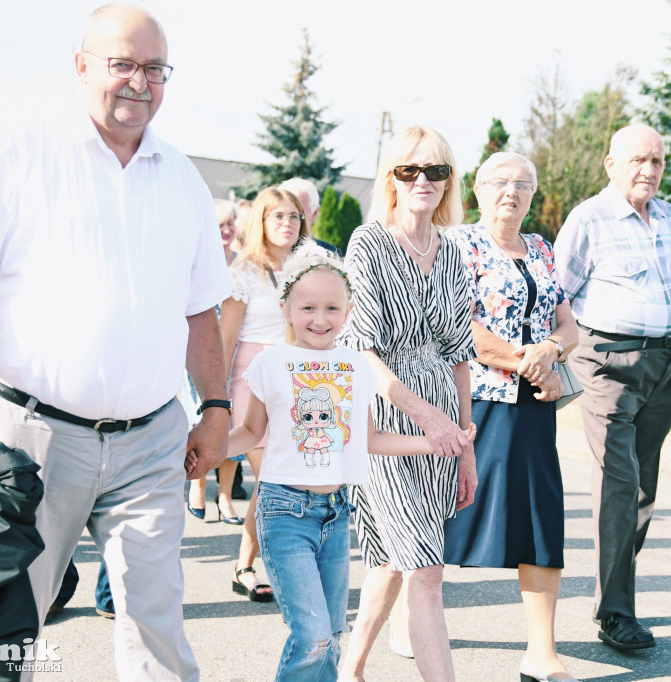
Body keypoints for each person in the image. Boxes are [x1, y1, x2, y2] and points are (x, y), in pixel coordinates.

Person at [0, 5, 230, 680]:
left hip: (152, 441)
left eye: (155, 68)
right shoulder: (21, 153)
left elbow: (198, 312)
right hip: (33, 439)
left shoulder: (181, 177)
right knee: (9, 624)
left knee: (158, 626)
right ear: (81, 66)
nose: (139, 82)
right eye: (122, 64)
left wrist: (214, 408)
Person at [192, 244, 475, 680]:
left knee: (331, 634)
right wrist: (203, 452)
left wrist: (435, 442)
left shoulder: (356, 367)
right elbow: (251, 432)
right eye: (307, 307)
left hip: (337, 513)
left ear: (348, 312)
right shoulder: (271, 362)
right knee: (313, 635)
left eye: (331, 308)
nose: (319, 319)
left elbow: (370, 439)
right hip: (284, 512)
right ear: (286, 308)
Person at [337, 125, 477, 682]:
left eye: (436, 170)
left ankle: (347, 671)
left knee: (396, 560)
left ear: (449, 182)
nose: (423, 180)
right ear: (390, 178)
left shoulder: (455, 251)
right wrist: (430, 419)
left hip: (444, 429)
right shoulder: (368, 243)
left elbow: (462, 357)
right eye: (408, 170)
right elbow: (364, 355)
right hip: (388, 425)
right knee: (425, 570)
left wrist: (464, 445)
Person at [444, 152, 581, 682]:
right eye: (500, 182)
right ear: (478, 191)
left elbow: (568, 324)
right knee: (440, 512)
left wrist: (549, 350)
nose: (511, 191)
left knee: (541, 519)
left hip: (533, 409)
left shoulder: (543, 248)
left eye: (523, 183)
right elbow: (461, 327)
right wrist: (530, 363)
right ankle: (408, 615)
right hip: (470, 401)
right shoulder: (458, 243)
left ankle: (541, 652)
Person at [553, 123, 671, 651]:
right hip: (608, 363)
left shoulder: (670, 216)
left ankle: (612, 594)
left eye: (656, 161)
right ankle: (616, 612)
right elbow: (558, 295)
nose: (649, 171)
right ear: (610, 164)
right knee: (617, 483)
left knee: (642, 488)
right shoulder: (588, 218)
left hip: (664, 363)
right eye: (637, 160)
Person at [221, 186, 311, 601]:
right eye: (278, 216)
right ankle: (254, 566)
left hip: (302, 379)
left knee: (287, 479)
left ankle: (248, 564)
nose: (287, 224)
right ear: (261, 221)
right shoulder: (243, 271)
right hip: (252, 379)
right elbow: (225, 339)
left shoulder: (311, 265)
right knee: (271, 475)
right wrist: (214, 401)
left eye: (293, 216)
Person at [187, 197, 242, 523]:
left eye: (230, 223)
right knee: (200, 415)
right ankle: (198, 486)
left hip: (236, 352)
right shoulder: (199, 259)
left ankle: (225, 495)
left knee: (232, 422)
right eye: (219, 223)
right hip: (202, 349)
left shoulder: (242, 263)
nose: (226, 229)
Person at [278, 177, 340, 254]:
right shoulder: (260, 258)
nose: (286, 222)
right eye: (279, 215)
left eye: (295, 215)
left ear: (315, 213)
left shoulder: (331, 256)